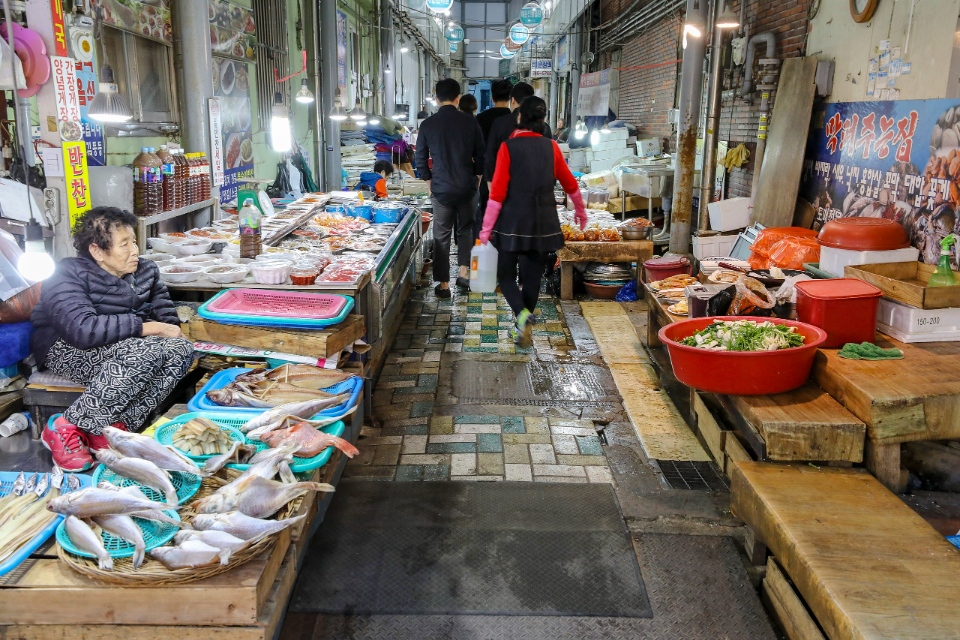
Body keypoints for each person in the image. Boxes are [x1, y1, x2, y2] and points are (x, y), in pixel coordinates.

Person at [31, 207, 194, 471]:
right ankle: (64, 426)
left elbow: (166, 318)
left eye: (134, 241)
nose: (135, 250)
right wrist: (147, 328)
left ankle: (109, 429)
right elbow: (83, 330)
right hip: (66, 348)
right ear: (97, 251)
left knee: (181, 350)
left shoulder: (146, 271)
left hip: (127, 346)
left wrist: (168, 331)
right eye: (124, 244)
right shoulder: (66, 275)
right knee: (146, 351)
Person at [478, 96, 586, 347]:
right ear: (543, 120)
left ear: (519, 118)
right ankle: (521, 325)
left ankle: (522, 315)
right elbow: (570, 183)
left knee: (505, 275)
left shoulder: (509, 147)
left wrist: (486, 227)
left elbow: (497, 193)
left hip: (512, 223)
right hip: (544, 223)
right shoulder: (551, 147)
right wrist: (580, 210)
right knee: (532, 278)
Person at [414, 78, 485, 297]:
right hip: (467, 187)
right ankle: (464, 273)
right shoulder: (470, 122)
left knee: (441, 236)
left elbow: (420, 158)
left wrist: (428, 181)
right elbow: (481, 155)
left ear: (436, 98)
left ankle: (444, 285)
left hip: (441, 189)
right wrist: (478, 180)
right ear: (458, 98)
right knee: (465, 230)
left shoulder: (428, 124)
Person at [478, 82, 553, 243]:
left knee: (504, 244)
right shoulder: (544, 127)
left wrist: (492, 190)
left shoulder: (500, 124)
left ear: (513, 100)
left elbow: (490, 158)